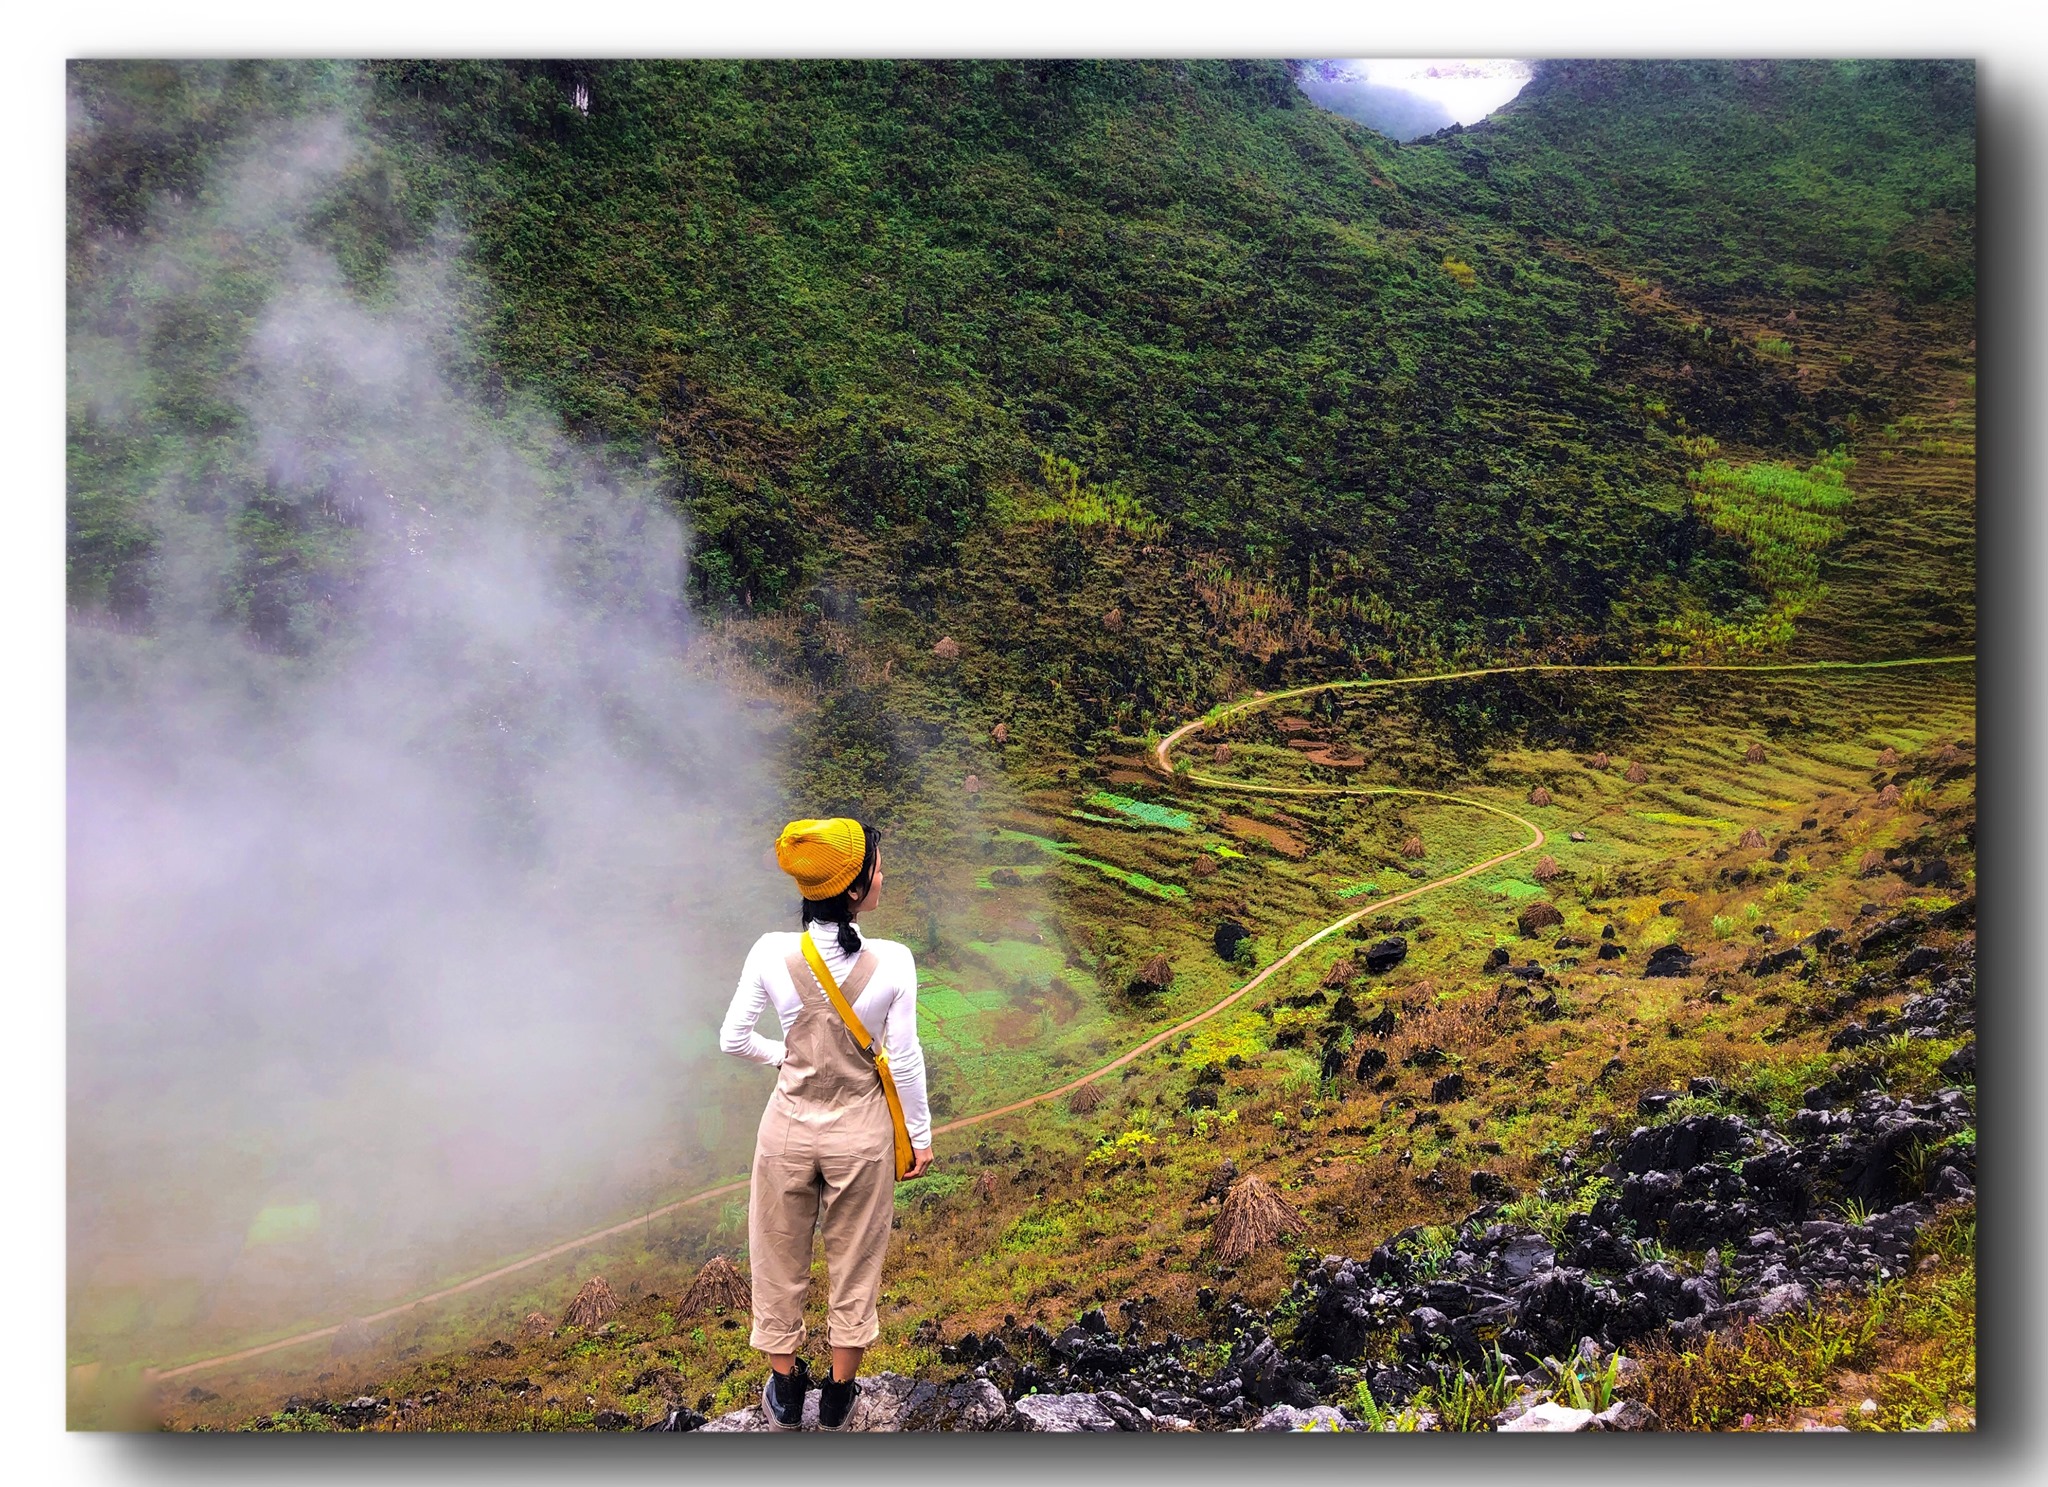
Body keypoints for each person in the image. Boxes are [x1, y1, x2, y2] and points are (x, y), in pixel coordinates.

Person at [719, 817, 935, 1430]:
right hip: (860, 1136)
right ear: (856, 889)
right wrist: (917, 1135)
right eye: (876, 867)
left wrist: (781, 1056)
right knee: (855, 1260)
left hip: (785, 1129)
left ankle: (785, 1392)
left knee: (777, 1254)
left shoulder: (769, 952)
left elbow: (733, 1038)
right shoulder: (893, 962)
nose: (882, 875)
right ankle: (839, 1396)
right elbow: (908, 1058)